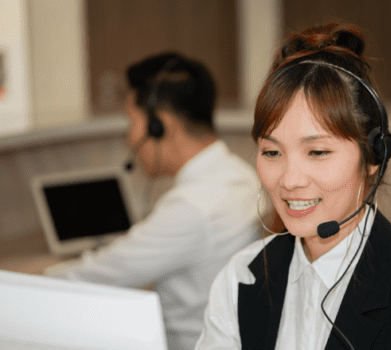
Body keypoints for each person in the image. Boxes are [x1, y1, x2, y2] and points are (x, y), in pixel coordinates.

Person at [195, 23, 391, 349]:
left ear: (374, 156)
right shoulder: (242, 276)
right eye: (272, 152)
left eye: (317, 152)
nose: (289, 180)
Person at [44, 52, 261, 349]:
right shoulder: (241, 175)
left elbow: (94, 275)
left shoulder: (192, 207)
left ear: (160, 126)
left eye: (132, 121)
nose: (130, 137)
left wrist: (36, 272)